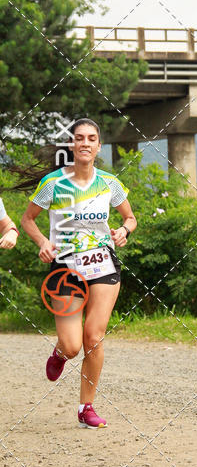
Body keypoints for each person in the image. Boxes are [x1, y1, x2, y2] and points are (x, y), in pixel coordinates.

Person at [20, 118, 137, 428]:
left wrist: (123, 230)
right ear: (72, 145)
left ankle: (87, 407)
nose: (85, 143)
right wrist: (44, 242)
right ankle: (60, 352)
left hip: (103, 265)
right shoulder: (53, 183)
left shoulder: (110, 183)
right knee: (73, 346)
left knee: (94, 337)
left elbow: (130, 218)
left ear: (99, 146)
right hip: (66, 270)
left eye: (92, 138)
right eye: (80, 138)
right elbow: (28, 219)